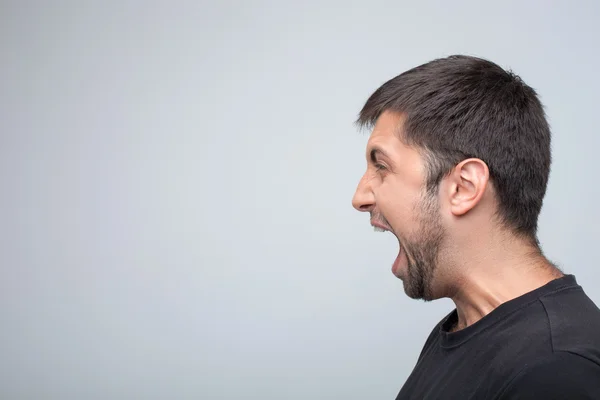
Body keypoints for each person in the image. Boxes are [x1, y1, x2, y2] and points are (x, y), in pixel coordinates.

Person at [351, 55, 600, 399]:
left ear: (463, 187)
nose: (360, 196)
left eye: (381, 166)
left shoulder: (558, 370)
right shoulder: (464, 330)